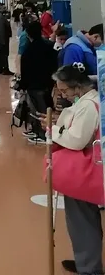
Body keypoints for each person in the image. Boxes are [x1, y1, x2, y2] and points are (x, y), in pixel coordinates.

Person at [42, 64, 102, 275]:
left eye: (65, 90)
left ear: (77, 86)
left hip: (83, 172)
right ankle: (87, 260)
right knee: (85, 218)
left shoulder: (89, 106)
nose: (63, 95)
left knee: (82, 220)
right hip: (88, 170)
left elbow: (76, 140)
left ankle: (89, 267)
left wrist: (53, 129)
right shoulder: (88, 102)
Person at [16, 21, 57, 141]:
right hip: (48, 83)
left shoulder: (28, 52)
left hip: (34, 86)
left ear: (28, 34)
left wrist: (22, 86)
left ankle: (42, 135)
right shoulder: (49, 46)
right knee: (46, 107)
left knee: (37, 110)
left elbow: (25, 72)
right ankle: (38, 131)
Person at [0, 4, 14, 76]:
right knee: (3, 54)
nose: (6, 9)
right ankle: (4, 69)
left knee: (1, 54)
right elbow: (0, 30)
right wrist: (2, 41)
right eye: (4, 7)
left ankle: (1, 68)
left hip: (2, 39)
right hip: (2, 40)